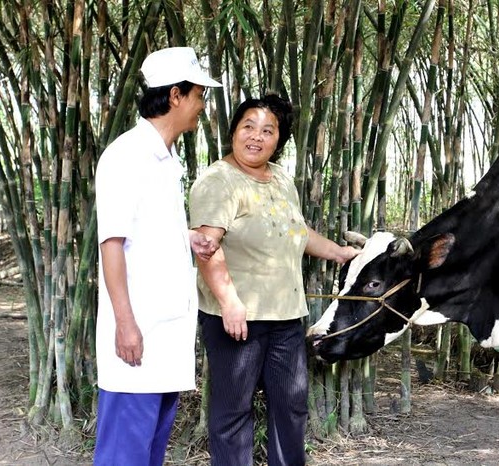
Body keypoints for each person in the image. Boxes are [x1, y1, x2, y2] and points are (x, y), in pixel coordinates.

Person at [189, 94, 359, 466]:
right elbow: (206, 247)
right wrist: (230, 303)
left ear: (278, 140)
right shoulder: (218, 181)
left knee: (291, 408)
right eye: (248, 126)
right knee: (233, 413)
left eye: (268, 130)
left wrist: (340, 253)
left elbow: (296, 232)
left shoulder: (280, 177)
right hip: (235, 321)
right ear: (233, 130)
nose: (256, 136)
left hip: (285, 318)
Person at [93, 47, 222, 465]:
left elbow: (143, 228)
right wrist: (125, 324)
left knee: (149, 453)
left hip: (165, 335)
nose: (202, 105)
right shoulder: (126, 156)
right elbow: (111, 242)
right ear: (175, 97)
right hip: (139, 333)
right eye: (199, 95)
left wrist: (186, 238)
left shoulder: (165, 159)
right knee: (124, 454)